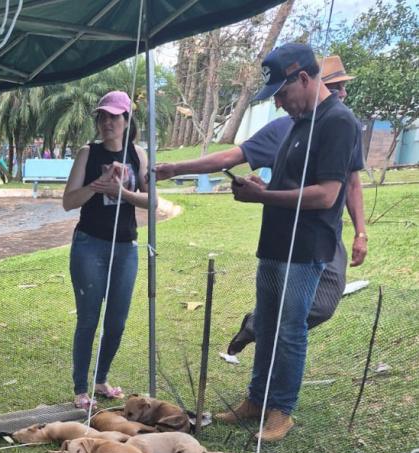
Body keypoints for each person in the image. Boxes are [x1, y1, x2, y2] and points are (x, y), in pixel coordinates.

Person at [156, 55, 368, 356]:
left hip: (324, 235)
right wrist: (176, 168)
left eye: (343, 89)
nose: (342, 95)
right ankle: (265, 372)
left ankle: (259, 329)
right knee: (290, 322)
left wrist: (360, 231)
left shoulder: (342, 125)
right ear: (315, 83)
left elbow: (350, 183)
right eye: (336, 89)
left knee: (319, 307)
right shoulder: (285, 128)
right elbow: (229, 158)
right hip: (284, 238)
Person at [212, 43, 361, 441]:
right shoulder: (301, 120)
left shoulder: (338, 122)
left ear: (305, 79)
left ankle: (282, 410)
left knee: (290, 328)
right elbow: (292, 183)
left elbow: (328, 194)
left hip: (307, 248)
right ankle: (257, 400)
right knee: (267, 322)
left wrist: (263, 197)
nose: (279, 103)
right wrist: (265, 186)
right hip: (275, 243)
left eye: (282, 93)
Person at [62, 90, 150, 409]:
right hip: (89, 245)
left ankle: (101, 380)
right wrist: (95, 187)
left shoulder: (138, 154)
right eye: (103, 116)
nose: (107, 122)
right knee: (88, 318)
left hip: (125, 247)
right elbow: (67, 201)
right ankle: (80, 389)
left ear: (127, 119)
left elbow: (151, 200)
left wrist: (122, 191)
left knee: (117, 321)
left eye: (114, 116)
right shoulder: (89, 153)